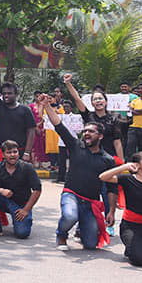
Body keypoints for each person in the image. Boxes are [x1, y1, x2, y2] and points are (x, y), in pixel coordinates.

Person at [41, 94, 117, 251]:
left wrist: (111, 212)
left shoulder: (108, 160)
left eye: (91, 132)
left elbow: (111, 188)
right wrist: (48, 106)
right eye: (85, 131)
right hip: (71, 195)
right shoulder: (76, 145)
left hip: (90, 202)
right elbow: (58, 125)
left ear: (100, 136)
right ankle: (61, 234)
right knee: (70, 216)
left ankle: (81, 228)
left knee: (90, 244)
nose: (86, 134)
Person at [0, 140, 42, 239]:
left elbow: (37, 190)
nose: (12, 155)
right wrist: (1, 191)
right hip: (5, 201)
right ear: (3, 155)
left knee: (22, 233)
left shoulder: (27, 168)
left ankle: (23, 221)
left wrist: (26, 210)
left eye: (15, 152)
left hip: (21, 205)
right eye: (9, 152)